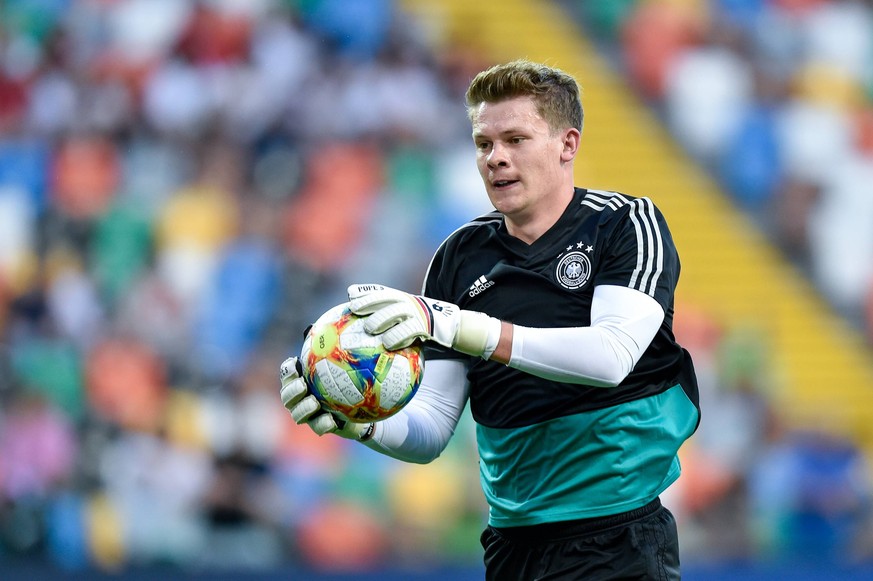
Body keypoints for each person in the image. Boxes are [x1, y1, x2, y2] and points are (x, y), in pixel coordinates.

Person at [280, 59, 700, 580]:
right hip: (512, 544)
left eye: (516, 139)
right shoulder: (459, 256)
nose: (496, 158)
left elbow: (609, 357)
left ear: (567, 144)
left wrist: (455, 326)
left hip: (617, 537)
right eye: (484, 144)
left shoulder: (627, 224)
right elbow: (431, 428)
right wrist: (358, 422)